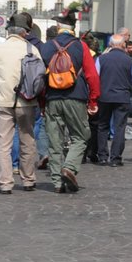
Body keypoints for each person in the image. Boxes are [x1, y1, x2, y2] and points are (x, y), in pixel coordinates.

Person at [0, 12, 41, 194]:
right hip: (27, 101)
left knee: (3, 144)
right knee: (28, 141)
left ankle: (6, 183)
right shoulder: (32, 50)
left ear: (9, 31)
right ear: (25, 32)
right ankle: (28, 179)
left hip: (2, 101)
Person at [40, 24, 100, 194]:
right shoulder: (81, 46)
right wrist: (93, 100)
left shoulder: (47, 47)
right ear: (72, 30)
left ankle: (57, 183)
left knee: (54, 141)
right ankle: (69, 167)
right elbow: (92, 75)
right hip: (76, 97)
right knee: (81, 136)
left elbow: (40, 77)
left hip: (52, 98)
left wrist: (42, 103)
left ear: (58, 30)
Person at [96, 33, 132, 167]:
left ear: (110, 45)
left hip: (104, 96)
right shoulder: (129, 61)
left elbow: (95, 78)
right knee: (119, 127)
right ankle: (116, 158)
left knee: (103, 126)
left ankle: (103, 156)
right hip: (122, 97)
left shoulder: (101, 59)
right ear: (123, 45)